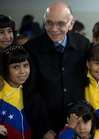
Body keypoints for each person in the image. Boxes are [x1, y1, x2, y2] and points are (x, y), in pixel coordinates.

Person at [24, 1, 90, 138]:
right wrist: (44, 128)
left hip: (79, 123)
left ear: (71, 24)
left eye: (60, 24)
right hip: (46, 125)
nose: (54, 29)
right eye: (49, 23)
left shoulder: (83, 44)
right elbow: (31, 91)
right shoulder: (31, 48)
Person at [0, 45, 31, 139]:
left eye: (25, 65)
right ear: (5, 69)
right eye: (16, 67)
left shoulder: (29, 90)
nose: (22, 71)